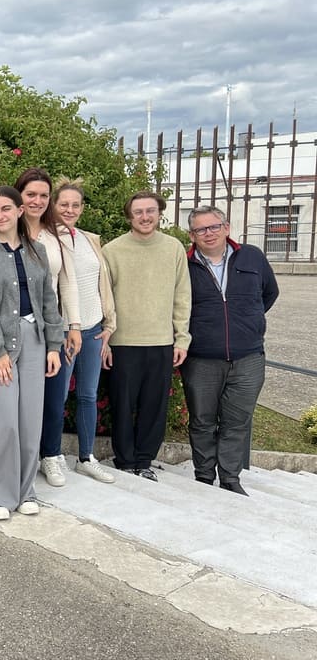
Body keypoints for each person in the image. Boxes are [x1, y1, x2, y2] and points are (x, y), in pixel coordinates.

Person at [0, 186, 63, 520]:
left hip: (34, 339)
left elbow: (48, 301)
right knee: (1, 420)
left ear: (20, 211)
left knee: (30, 420)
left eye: (6, 209)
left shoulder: (37, 250)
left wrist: (53, 346)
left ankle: (25, 491)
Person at [183, 204, 278, 495]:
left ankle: (230, 478)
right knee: (201, 420)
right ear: (192, 235)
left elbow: (269, 292)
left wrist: (248, 322)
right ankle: (203, 475)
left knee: (236, 421)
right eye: (200, 229)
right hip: (201, 358)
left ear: (226, 228)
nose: (208, 233)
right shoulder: (184, 264)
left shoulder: (251, 256)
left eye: (214, 226)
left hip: (248, 357)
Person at [102, 190, 191, 480]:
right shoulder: (112, 251)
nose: (145, 217)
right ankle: (125, 461)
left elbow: (182, 296)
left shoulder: (174, 248)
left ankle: (144, 461)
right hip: (123, 342)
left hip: (161, 341)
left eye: (150, 211)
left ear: (159, 213)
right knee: (122, 405)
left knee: (155, 406)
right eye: (138, 212)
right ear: (129, 216)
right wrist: (106, 341)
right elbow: (104, 299)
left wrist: (181, 338)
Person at [15, 167, 81, 489]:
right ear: (19, 196)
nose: (37, 201)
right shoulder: (8, 229)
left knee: (54, 397)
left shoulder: (58, 235)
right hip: (17, 328)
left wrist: (74, 326)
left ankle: (51, 455)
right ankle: (18, 457)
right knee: (18, 400)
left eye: (43, 195)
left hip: (52, 327)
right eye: (31, 194)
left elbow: (67, 283)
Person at [51, 179, 117, 483]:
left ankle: (86, 457)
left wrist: (109, 325)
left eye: (75, 205)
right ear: (53, 205)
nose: (69, 209)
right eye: (64, 204)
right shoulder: (48, 239)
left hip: (93, 330)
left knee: (89, 395)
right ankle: (51, 455)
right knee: (58, 397)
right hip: (65, 331)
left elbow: (103, 285)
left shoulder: (91, 240)